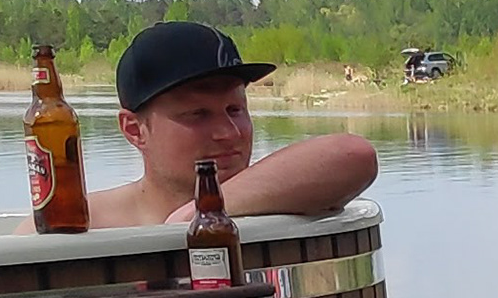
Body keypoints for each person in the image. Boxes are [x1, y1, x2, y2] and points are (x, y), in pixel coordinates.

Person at [61, 19, 379, 231]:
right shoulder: (85, 224)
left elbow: (354, 155)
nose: (229, 132)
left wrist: (198, 212)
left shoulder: (285, 194)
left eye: (235, 109)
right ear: (134, 130)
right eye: (198, 114)